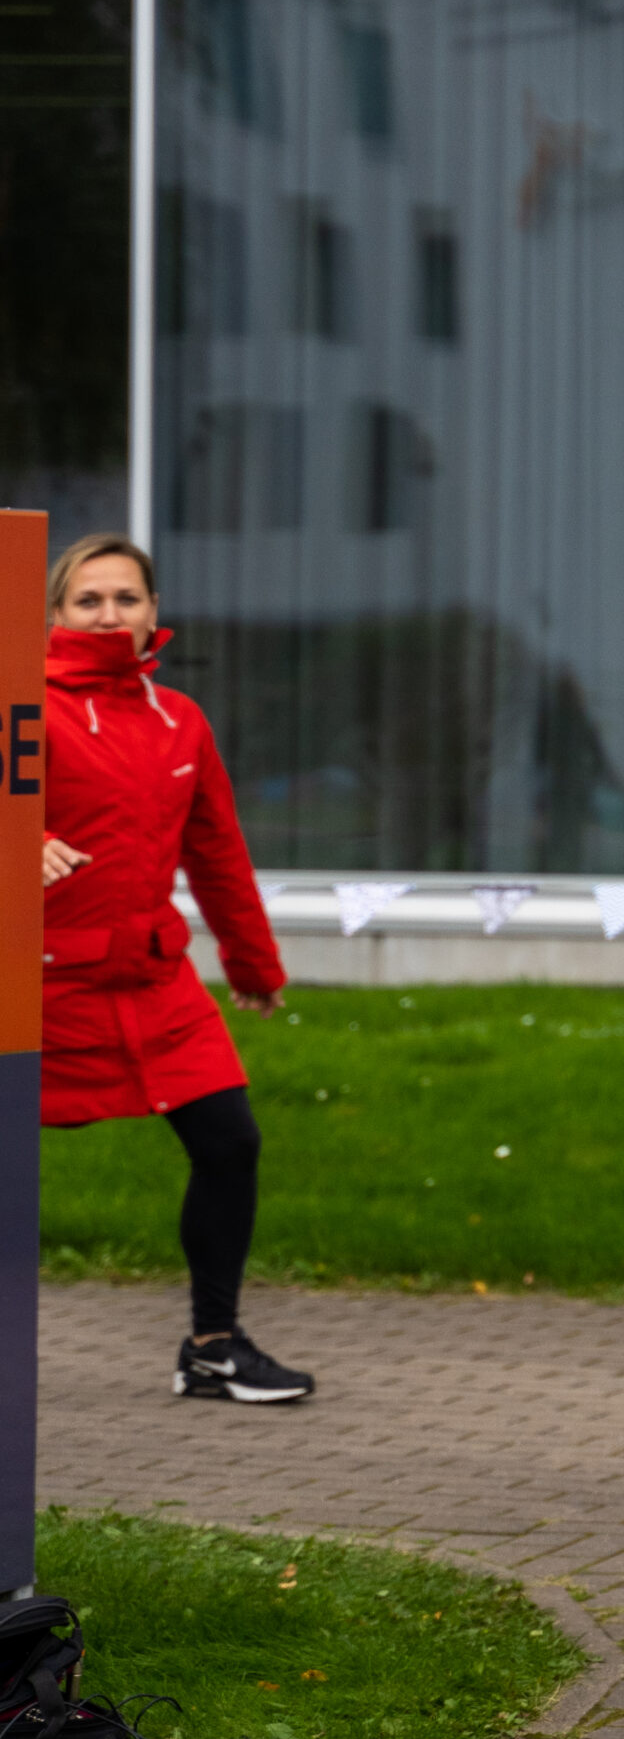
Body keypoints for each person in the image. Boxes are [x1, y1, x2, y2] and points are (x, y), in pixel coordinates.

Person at [41, 533, 313, 1405]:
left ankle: (213, 1349)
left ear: (154, 610)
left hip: (155, 983)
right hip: (39, 986)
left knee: (231, 1142)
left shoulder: (179, 718)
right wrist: (18, 842)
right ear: (56, 613)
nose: (109, 616)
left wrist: (253, 961)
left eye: (126, 598)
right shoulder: (20, 709)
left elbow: (218, 848)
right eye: (88, 601)